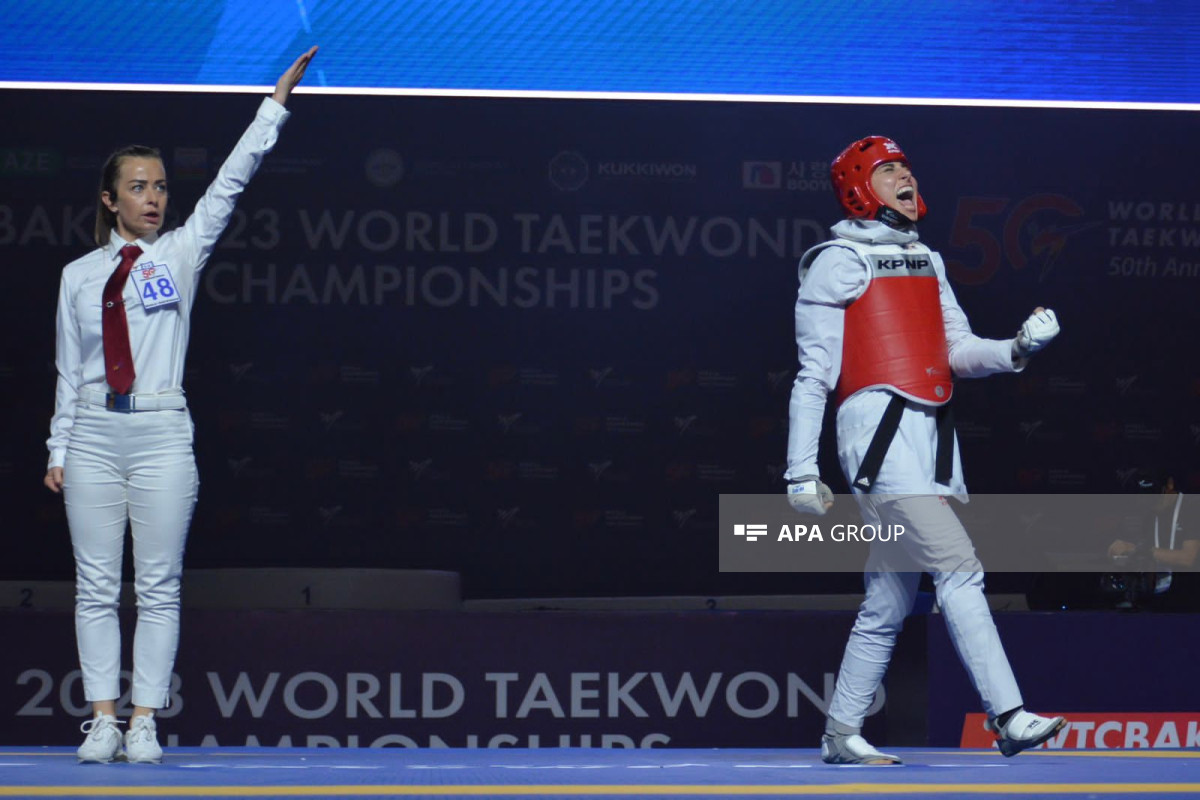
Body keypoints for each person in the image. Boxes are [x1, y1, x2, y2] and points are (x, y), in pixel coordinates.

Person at [43, 46, 318, 764]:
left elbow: (231, 183)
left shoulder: (180, 254)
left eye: (161, 185)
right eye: (139, 187)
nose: (155, 197)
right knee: (96, 585)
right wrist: (59, 450)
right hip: (96, 431)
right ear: (111, 200)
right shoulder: (78, 277)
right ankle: (101, 718)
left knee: (158, 585)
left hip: (163, 429)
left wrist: (274, 106)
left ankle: (143, 722)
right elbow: (69, 372)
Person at [784, 135, 1065, 764]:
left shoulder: (926, 260)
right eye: (890, 170)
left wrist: (1017, 347)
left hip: (931, 439)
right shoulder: (836, 259)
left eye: (907, 166)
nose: (907, 176)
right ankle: (1009, 715)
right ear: (860, 189)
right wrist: (800, 471)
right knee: (959, 567)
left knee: (889, 597)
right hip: (877, 439)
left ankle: (841, 733)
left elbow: (958, 353)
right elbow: (814, 374)